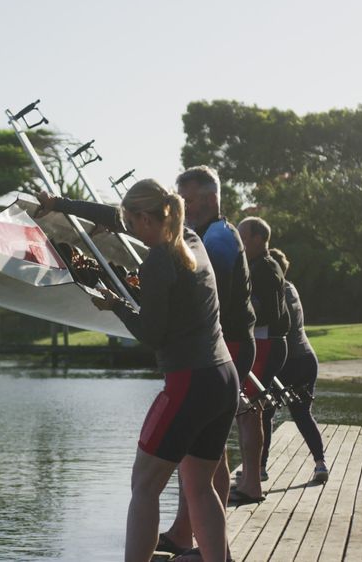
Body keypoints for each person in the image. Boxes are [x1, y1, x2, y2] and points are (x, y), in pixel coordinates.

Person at [36, 179, 238, 562]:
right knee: (199, 486)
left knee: (144, 486)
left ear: (147, 218)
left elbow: (152, 334)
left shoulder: (159, 262)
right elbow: (113, 216)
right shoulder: (190, 237)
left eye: (131, 220)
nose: (125, 226)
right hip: (222, 377)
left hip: (188, 382)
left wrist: (116, 305)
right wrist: (60, 204)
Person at [155, 166, 258, 559]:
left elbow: (202, 294)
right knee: (206, 448)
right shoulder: (215, 233)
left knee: (198, 449)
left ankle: (204, 542)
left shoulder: (215, 238)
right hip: (225, 345)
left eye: (189, 202)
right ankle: (187, 533)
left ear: (211, 198)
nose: (182, 209)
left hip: (224, 346)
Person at [236, 217, 290, 489]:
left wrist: (237, 313)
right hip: (264, 342)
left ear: (259, 238)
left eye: (244, 238)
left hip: (267, 342)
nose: (241, 244)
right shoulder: (260, 266)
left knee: (253, 408)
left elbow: (269, 312)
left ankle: (256, 470)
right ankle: (254, 469)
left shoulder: (265, 269)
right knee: (253, 408)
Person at [268, 248, 328, 484]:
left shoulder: (278, 290)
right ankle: (320, 463)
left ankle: (259, 467)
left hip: (289, 360)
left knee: (264, 413)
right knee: (301, 414)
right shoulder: (291, 287)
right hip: (306, 358)